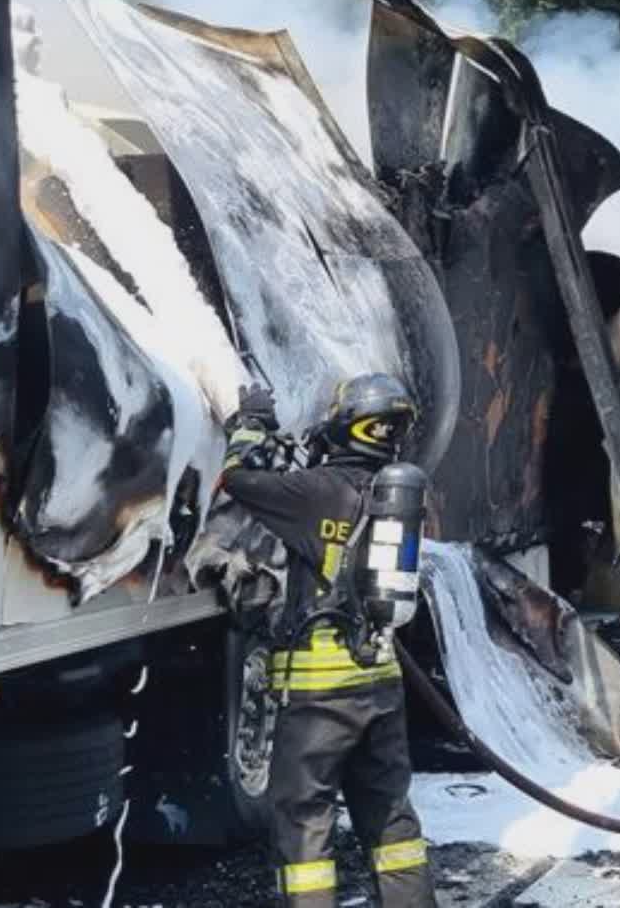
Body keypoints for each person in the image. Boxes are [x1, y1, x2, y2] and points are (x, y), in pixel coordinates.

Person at [219, 373, 434, 907]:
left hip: (319, 698)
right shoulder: (396, 500)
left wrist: (251, 426)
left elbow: (237, 480)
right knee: (390, 821)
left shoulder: (312, 493)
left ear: (345, 423)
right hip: (381, 683)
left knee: (304, 824)